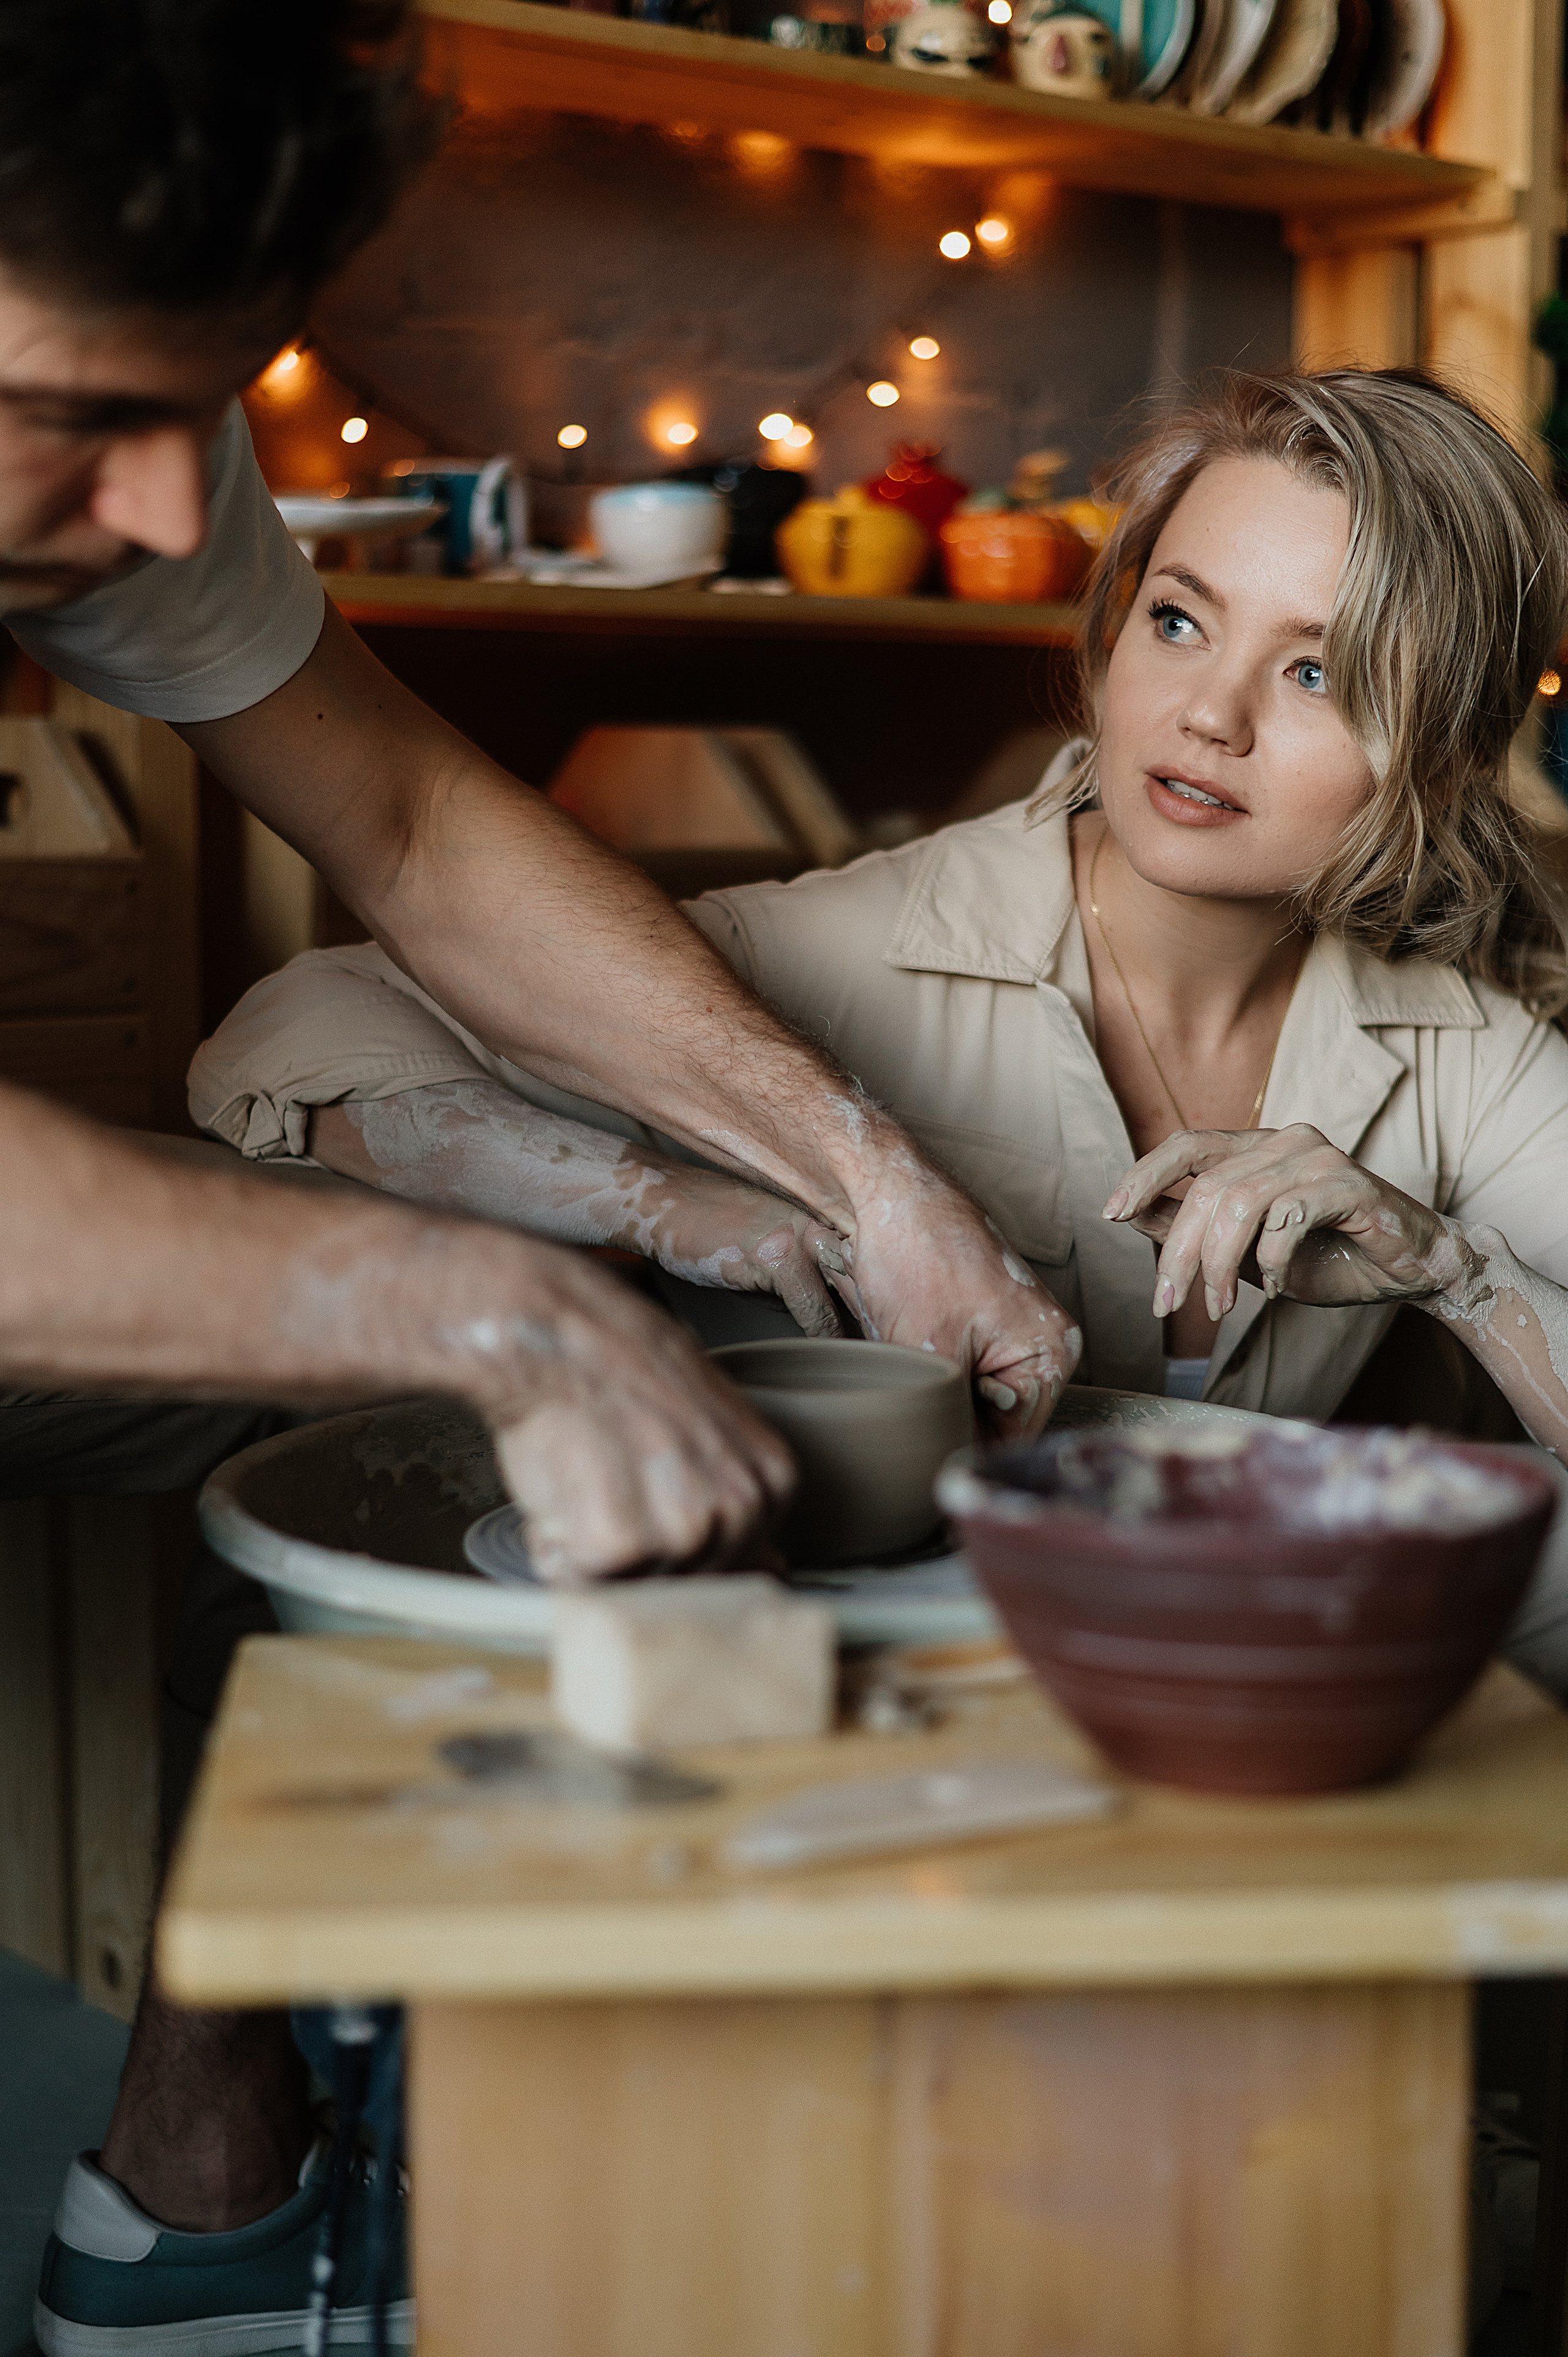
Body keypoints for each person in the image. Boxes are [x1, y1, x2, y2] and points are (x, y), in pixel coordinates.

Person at [9, 4, 1078, 2347]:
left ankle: (203, 2173)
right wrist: (483, 1301)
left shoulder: (121, 446)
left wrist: (851, 1163)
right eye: (81, 425)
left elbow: (403, 822)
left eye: (195, 414)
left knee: (391, 1408)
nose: (176, 514)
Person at [203, 364, 1568, 1673]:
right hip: (795, 1686)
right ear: (1109, 630)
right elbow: (306, 1029)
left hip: (1192, 1701)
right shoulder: (846, 951)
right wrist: (667, 1200)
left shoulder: (1464, 1053)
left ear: (1439, 753)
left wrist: (1456, 1273)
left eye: (1316, 674)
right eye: (1177, 619)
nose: (1207, 713)